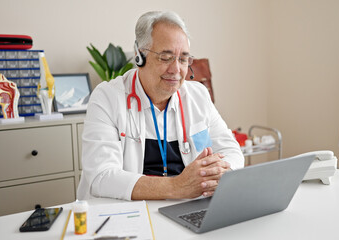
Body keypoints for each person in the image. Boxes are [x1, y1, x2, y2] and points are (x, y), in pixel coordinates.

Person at [77, 11, 244, 201]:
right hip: (127, 213)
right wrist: (177, 186)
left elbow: (231, 151)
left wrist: (221, 172)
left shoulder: (198, 96)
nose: (176, 70)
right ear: (140, 57)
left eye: (183, 59)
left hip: (184, 208)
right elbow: (102, 177)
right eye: (166, 57)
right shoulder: (107, 97)